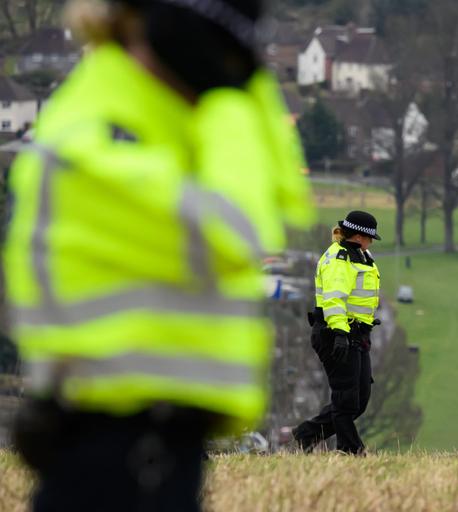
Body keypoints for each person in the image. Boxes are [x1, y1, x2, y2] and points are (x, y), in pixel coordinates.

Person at [4, 0, 313, 510]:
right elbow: (237, 229)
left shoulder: (149, 130)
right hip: (116, 442)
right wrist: (232, 102)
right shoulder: (94, 144)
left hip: (155, 438)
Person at [292, 211, 381, 455]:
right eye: (370, 237)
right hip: (336, 334)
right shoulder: (338, 259)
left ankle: (307, 434)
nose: (371, 242)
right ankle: (350, 450)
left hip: (357, 334)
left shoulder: (362, 256)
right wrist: (341, 333)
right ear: (361, 236)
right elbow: (334, 300)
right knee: (346, 399)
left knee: (360, 398)